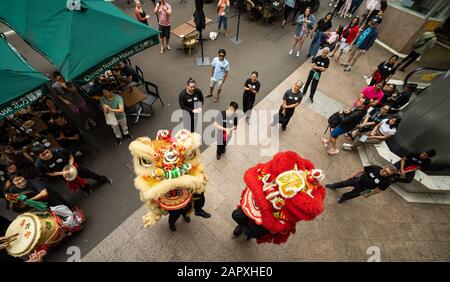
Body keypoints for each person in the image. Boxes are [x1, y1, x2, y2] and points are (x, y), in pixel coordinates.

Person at [33, 146, 112, 193]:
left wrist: (70, 166)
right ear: (38, 156)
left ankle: (103, 179)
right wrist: (62, 173)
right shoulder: (39, 164)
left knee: (89, 174)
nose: (47, 155)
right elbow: (48, 173)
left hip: (72, 166)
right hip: (62, 174)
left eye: (47, 152)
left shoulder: (58, 151)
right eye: (43, 154)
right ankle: (86, 189)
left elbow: (70, 156)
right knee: (76, 182)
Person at [326, 165, 397, 203]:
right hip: (358, 180)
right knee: (344, 183)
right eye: (385, 170)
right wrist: (353, 175)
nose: (384, 173)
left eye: (387, 174)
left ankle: (343, 198)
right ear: (385, 167)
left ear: (390, 175)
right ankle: (333, 186)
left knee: (352, 195)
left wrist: (369, 194)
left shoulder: (387, 182)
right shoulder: (376, 167)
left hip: (364, 189)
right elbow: (363, 170)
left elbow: (379, 189)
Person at [5, 175, 70, 212]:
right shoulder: (12, 189)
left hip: (51, 198)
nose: (20, 181)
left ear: (23, 177)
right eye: (16, 181)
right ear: (13, 183)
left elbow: (44, 193)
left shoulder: (34, 182)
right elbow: (16, 201)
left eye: (21, 178)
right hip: (39, 203)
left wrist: (28, 201)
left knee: (65, 209)